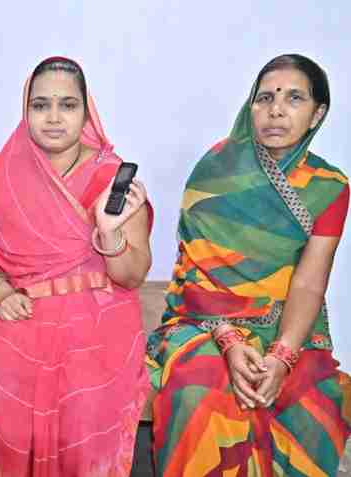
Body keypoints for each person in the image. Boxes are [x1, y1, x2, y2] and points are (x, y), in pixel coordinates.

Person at [147, 54, 351, 476]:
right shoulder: (215, 170)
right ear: (251, 106)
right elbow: (194, 271)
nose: (276, 109)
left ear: (317, 114)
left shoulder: (330, 187)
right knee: (202, 394)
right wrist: (226, 337)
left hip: (287, 328)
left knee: (315, 403)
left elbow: (309, 283)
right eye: (265, 97)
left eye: (294, 98)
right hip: (202, 323)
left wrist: (282, 357)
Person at [0, 57, 153, 476]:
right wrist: (0, 291)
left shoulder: (111, 176)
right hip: (20, 314)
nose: (53, 118)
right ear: (26, 111)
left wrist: (108, 231)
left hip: (98, 319)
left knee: (84, 413)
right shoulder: (2, 177)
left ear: (86, 113)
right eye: (41, 105)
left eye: (67, 105)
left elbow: (131, 275)